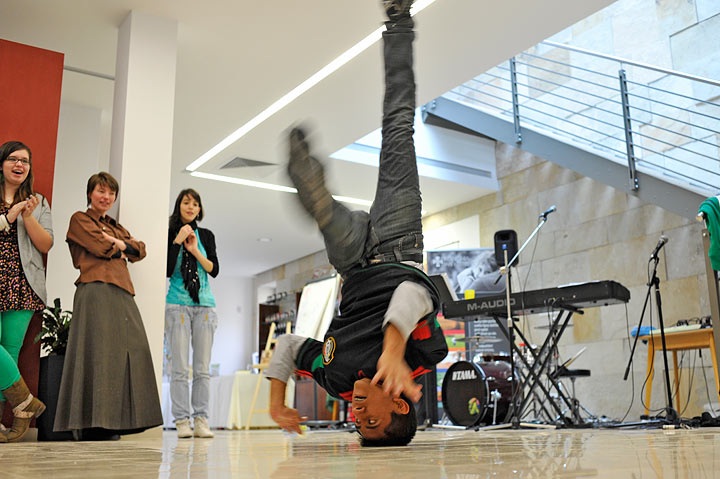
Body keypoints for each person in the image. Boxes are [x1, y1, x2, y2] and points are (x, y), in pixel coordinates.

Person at [265, 0, 448, 447]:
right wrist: (394, 351)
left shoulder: (336, 378)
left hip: (351, 263)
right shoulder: (424, 356)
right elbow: (414, 294)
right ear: (399, 406)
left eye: (356, 424)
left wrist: (276, 401)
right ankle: (399, 20)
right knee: (398, 127)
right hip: (400, 244)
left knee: (327, 217)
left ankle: (320, 203)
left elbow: (289, 347)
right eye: (371, 420)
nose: (357, 414)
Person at [54, 171, 163, 440]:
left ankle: (115, 421)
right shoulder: (80, 219)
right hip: (95, 288)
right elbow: (100, 247)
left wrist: (120, 243)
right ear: (90, 193)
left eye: (111, 193)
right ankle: (93, 424)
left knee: (129, 353)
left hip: (123, 290)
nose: (106, 197)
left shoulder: (116, 226)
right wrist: (122, 248)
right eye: (101, 191)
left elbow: (141, 250)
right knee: (97, 353)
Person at [0, 141, 53, 442]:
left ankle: (4, 420)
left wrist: (27, 216)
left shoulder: (38, 202)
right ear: (2, 164)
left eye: (25, 160)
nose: (19, 164)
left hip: (22, 284)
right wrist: (9, 216)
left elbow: (45, 244)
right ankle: (25, 403)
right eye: (13, 159)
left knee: (9, 352)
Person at [165, 188, 220, 439]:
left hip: (205, 306)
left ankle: (201, 419)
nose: (191, 207)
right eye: (186, 202)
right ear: (179, 206)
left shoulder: (206, 235)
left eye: (195, 204)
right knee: (179, 368)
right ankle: (181, 420)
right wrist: (177, 241)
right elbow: (166, 270)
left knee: (202, 369)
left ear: (200, 209)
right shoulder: (169, 233)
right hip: (177, 305)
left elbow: (213, 269)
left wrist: (195, 249)